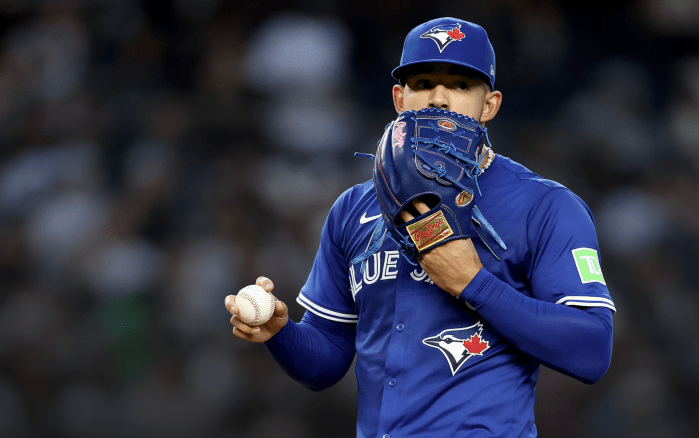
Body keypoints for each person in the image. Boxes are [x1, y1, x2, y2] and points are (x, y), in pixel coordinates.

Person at [225, 17, 615, 438]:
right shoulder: (353, 209)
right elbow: (326, 363)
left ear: (489, 105)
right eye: (423, 83)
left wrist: (474, 284)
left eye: (460, 85)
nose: (439, 99)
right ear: (400, 98)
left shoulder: (545, 205)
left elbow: (592, 350)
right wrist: (281, 334)